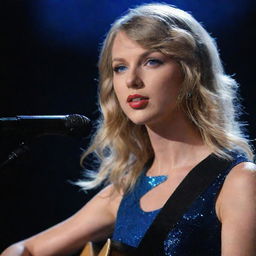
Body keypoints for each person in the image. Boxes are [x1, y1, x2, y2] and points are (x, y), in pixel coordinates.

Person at [1, 3, 256, 256]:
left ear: (191, 72)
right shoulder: (126, 190)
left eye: (151, 62)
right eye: (120, 67)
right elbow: (25, 249)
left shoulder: (239, 181)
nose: (132, 80)